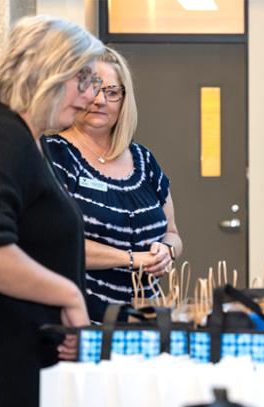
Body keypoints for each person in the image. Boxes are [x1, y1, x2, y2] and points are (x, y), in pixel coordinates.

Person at [0, 16, 103, 407]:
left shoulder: (29, 140)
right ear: (46, 70)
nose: (89, 96)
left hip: (21, 375)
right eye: (81, 79)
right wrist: (68, 295)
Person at [45, 47, 182, 322]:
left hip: (144, 322)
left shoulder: (144, 160)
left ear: (123, 100)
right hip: (80, 323)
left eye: (111, 92)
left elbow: (173, 233)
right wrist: (132, 258)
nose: (100, 101)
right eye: (93, 89)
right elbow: (54, 244)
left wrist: (166, 252)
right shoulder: (53, 156)